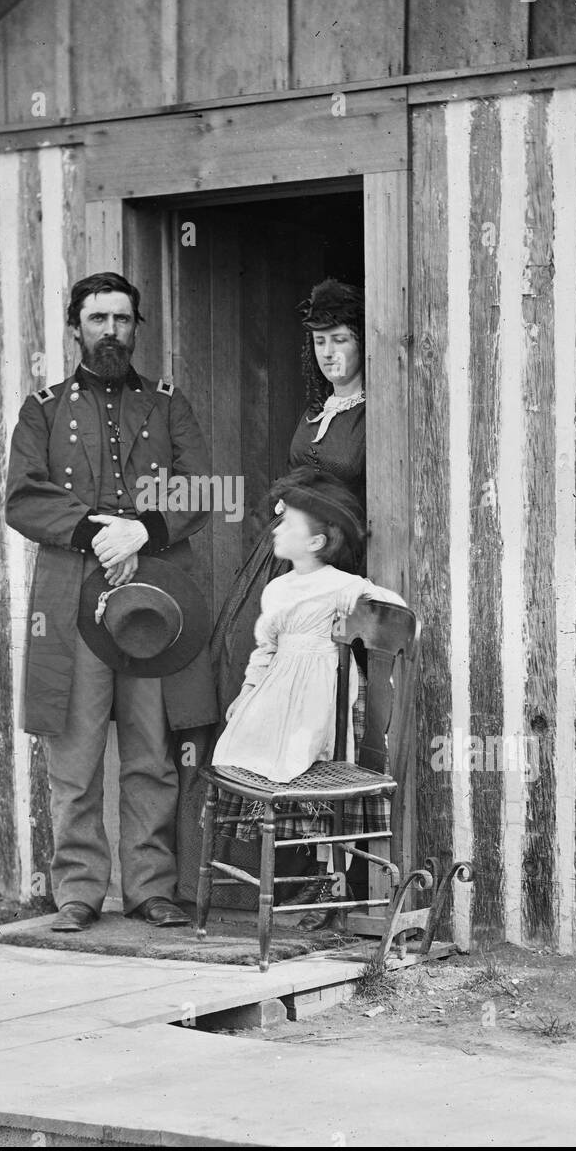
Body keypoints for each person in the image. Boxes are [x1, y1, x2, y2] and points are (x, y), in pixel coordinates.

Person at [5, 271, 217, 933]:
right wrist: (102, 534)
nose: (110, 333)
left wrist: (144, 531)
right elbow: (22, 495)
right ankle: (77, 891)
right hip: (73, 597)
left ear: (135, 328)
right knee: (74, 751)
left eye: (122, 320)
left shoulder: (166, 404)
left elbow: (202, 487)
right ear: (75, 327)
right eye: (97, 319)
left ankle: (153, 886)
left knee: (152, 750)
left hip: (153, 595)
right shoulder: (41, 409)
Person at [194, 278, 391, 920]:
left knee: (324, 709)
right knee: (249, 665)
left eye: (340, 341)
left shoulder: (375, 412)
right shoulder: (314, 415)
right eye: (320, 344)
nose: (330, 355)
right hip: (292, 558)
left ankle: (325, 872)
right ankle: (264, 868)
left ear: (363, 342)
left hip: (339, 559)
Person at [207, 469, 406, 901]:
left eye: (289, 525)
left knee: (310, 752)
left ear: (316, 542)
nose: (277, 529)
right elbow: (265, 649)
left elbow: (395, 613)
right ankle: (302, 869)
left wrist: (369, 624)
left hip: (323, 687)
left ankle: (329, 876)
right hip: (281, 687)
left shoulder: (344, 586)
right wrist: (247, 692)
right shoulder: (277, 589)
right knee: (243, 744)